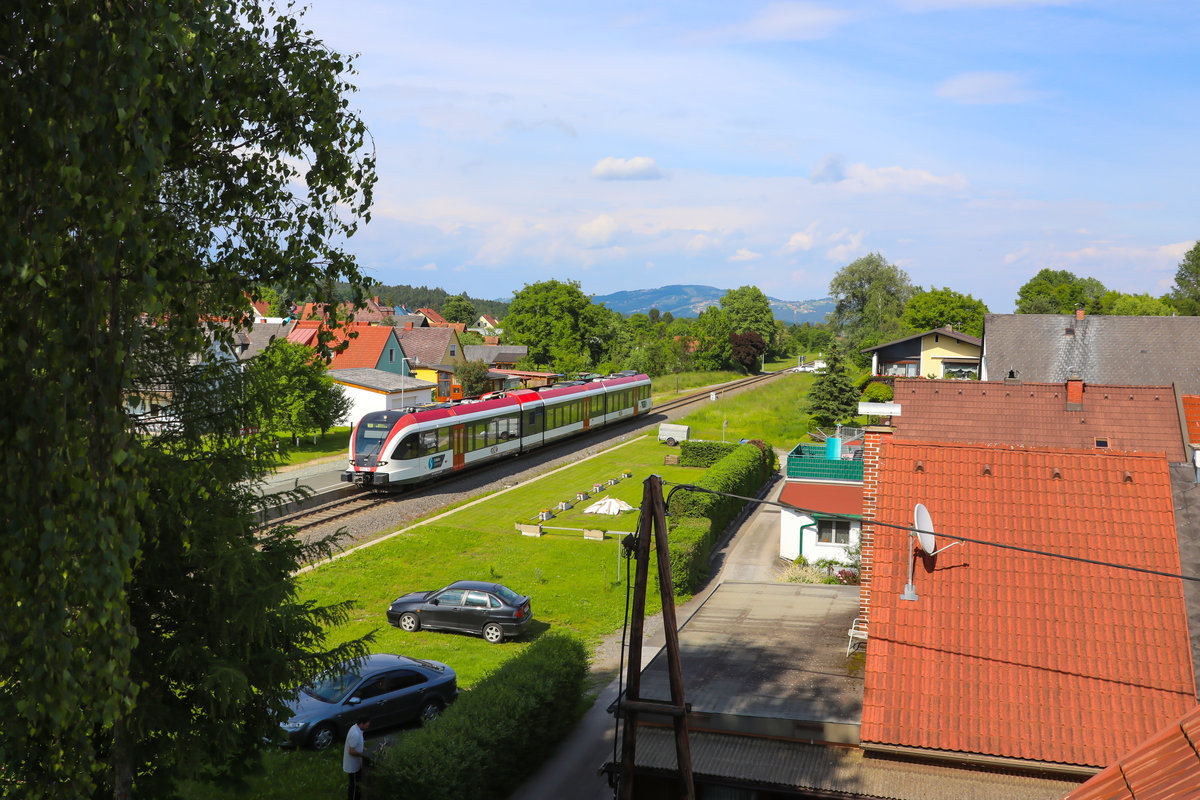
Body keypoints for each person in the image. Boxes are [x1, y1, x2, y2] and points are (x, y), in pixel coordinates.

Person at [344, 717, 371, 800]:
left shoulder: (357, 729)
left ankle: (357, 796)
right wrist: (363, 755)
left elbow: (359, 745)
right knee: (354, 785)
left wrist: (367, 750)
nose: (367, 727)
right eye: (366, 725)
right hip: (353, 766)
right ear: (361, 724)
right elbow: (351, 751)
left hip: (357, 764)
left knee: (357, 782)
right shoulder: (355, 734)